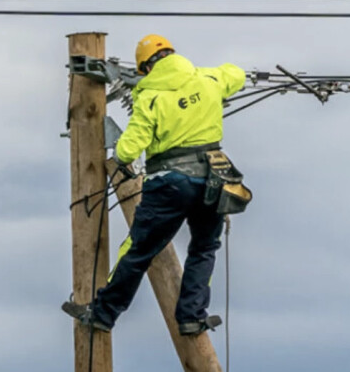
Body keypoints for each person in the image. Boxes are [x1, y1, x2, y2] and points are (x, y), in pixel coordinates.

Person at [79, 34, 246, 336]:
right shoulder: (208, 78)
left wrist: (119, 153)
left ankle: (104, 314)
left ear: (144, 68)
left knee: (140, 250)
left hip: (169, 183)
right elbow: (237, 74)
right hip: (213, 180)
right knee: (205, 248)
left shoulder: (149, 95)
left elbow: (128, 151)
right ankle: (192, 317)